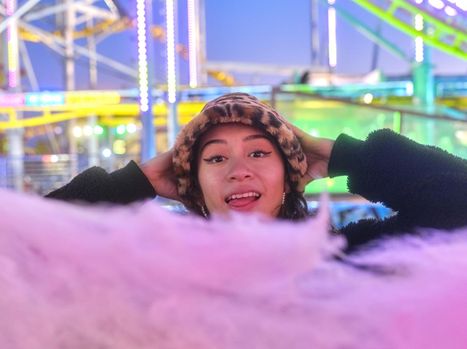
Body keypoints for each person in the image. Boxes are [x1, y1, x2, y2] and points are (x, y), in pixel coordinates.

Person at [46, 93, 467, 252]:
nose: (239, 171)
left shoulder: (346, 256)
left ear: (291, 175)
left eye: (260, 154)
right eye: (215, 158)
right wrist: (133, 182)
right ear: (191, 183)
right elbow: (19, 247)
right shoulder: (155, 264)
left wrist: (343, 156)